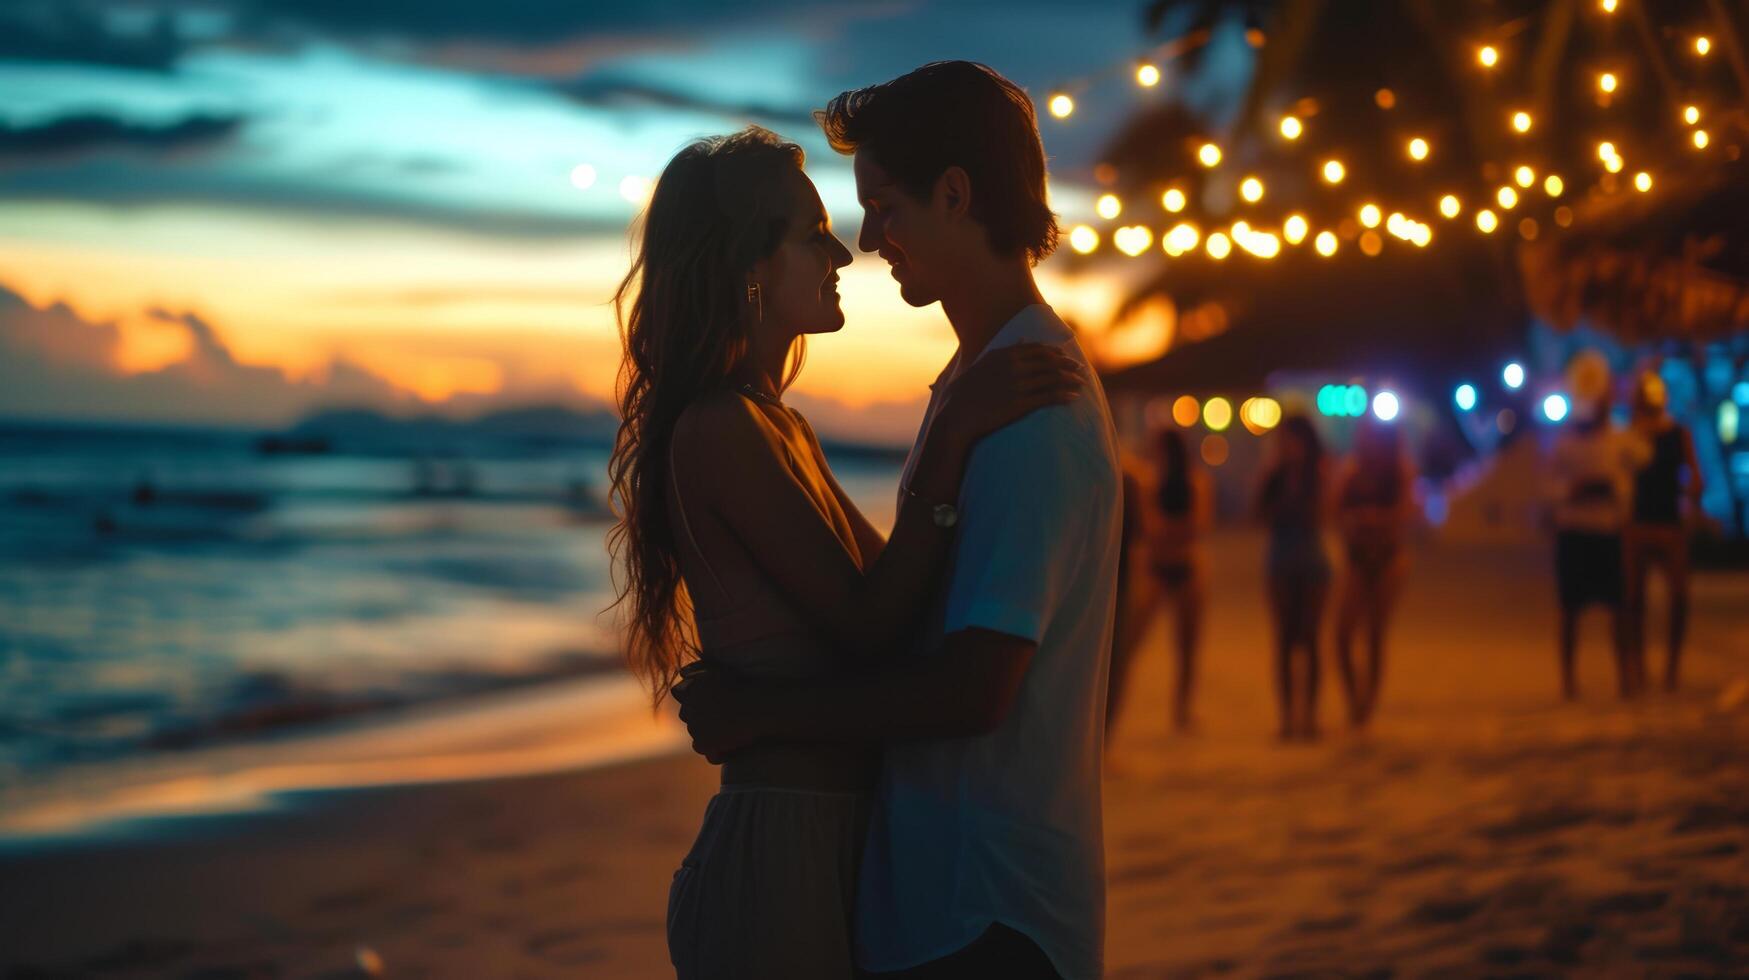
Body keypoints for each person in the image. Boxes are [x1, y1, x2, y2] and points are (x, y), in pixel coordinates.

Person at [673, 62, 1122, 980]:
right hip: (940, 902)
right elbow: (899, 616)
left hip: (985, 911)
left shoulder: (1026, 405)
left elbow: (972, 689)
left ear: (954, 196)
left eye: (882, 207)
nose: (867, 242)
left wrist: (760, 713)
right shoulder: (976, 389)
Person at [1109, 427, 1212, 737]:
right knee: (1129, 643)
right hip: (1158, 568)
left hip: (1186, 568)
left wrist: (1168, 531)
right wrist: (1171, 531)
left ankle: (1182, 710)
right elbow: (1152, 528)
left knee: (1187, 646)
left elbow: (1197, 524)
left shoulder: (1193, 481)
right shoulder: (1148, 481)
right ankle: (1115, 706)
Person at [1548, 391, 1649, 699]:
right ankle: (1569, 682)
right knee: (1570, 610)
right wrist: (1574, 489)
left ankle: (1625, 678)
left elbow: (1641, 460)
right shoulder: (1563, 443)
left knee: (1619, 608)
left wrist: (1613, 486)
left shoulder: (1619, 440)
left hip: (1607, 531)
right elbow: (1548, 487)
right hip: (1574, 531)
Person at [1332, 419, 1416, 729]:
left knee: (1375, 633)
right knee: (1342, 634)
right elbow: (1334, 509)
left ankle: (1367, 704)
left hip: (1387, 557)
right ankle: (1354, 697)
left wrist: (1373, 519)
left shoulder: (1399, 469)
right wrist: (1352, 521)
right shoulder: (1352, 470)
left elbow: (1405, 512)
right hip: (1356, 557)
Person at [1623, 370, 1704, 691]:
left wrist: (1691, 506)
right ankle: (1639, 668)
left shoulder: (1677, 433)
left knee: (1680, 598)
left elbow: (1695, 477)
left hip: (1669, 525)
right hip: (1638, 525)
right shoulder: (1629, 434)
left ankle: (1672, 669)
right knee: (1633, 601)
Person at [1255, 414, 1331, 741]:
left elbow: (1321, 513)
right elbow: (1257, 514)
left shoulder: (1319, 474)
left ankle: (1310, 717)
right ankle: (1288, 718)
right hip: (1281, 559)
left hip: (1311, 560)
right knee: (1285, 641)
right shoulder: (1274, 475)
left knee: (1310, 639)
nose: (1287, 446)